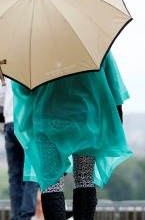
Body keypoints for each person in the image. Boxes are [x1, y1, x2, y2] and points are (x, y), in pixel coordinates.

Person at [11, 51, 132, 220]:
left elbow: (22, 88)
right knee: (84, 179)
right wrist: (116, 118)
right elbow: (113, 81)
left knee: (51, 183)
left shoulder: (35, 45)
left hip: (47, 120)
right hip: (83, 120)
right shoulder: (91, 40)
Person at [0, 78, 39, 220]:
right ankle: (26, 215)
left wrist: (9, 100)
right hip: (28, 123)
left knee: (14, 174)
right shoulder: (37, 68)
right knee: (32, 172)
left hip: (10, 123)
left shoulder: (10, 68)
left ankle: (16, 215)